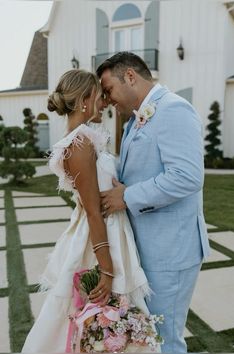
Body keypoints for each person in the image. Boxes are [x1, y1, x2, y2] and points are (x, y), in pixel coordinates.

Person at [21, 69, 157, 353]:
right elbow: (94, 212)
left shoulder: (86, 139)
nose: (105, 102)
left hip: (111, 230)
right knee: (91, 317)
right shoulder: (80, 144)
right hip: (99, 238)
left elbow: (97, 192)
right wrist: (107, 271)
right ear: (85, 99)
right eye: (99, 96)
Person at [96, 51, 210, 354]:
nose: (107, 100)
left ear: (130, 76)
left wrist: (127, 196)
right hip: (148, 247)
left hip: (171, 252)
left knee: (164, 339)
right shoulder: (136, 120)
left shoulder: (174, 110)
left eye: (108, 90)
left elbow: (187, 177)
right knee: (148, 336)